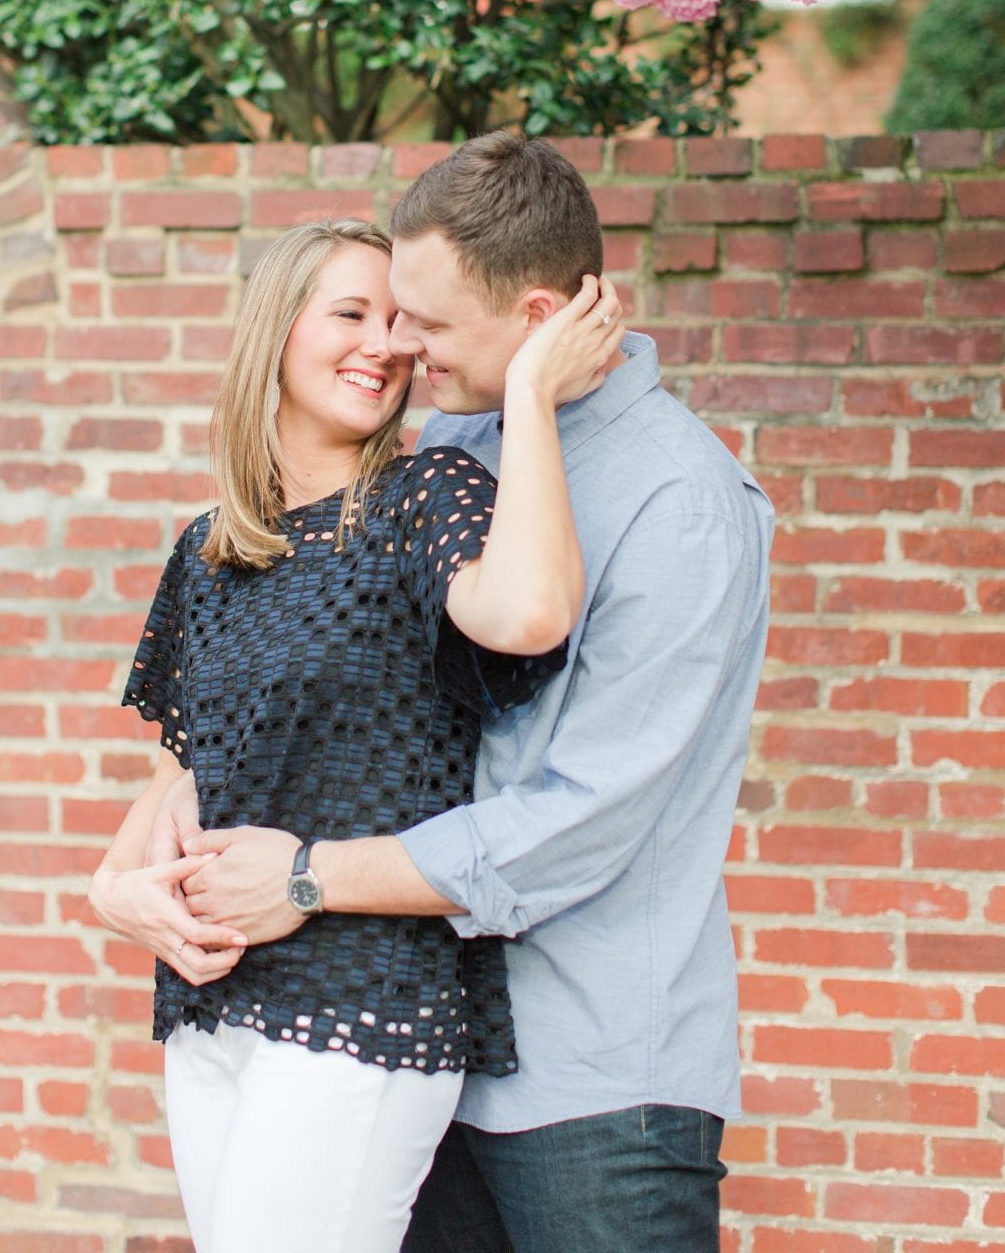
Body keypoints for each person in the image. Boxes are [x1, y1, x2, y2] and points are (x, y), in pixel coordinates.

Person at [145, 133, 775, 1253]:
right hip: (421, 1032)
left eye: (425, 324)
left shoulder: (679, 502)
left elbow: (585, 818)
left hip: (590, 1085)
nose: (399, 347)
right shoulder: (456, 445)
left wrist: (305, 876)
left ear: (537, 321)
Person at [89, 215, 624, 1253]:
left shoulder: (428, 498)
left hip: (364, 1004)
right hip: (215, 1008)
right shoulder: (207, 551)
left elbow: (525, 616)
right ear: (276, 333)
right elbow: (176, 781)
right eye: (351, 314)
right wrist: (118, 896)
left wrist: (528, 397)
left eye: (399, 323)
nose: (384, 344)